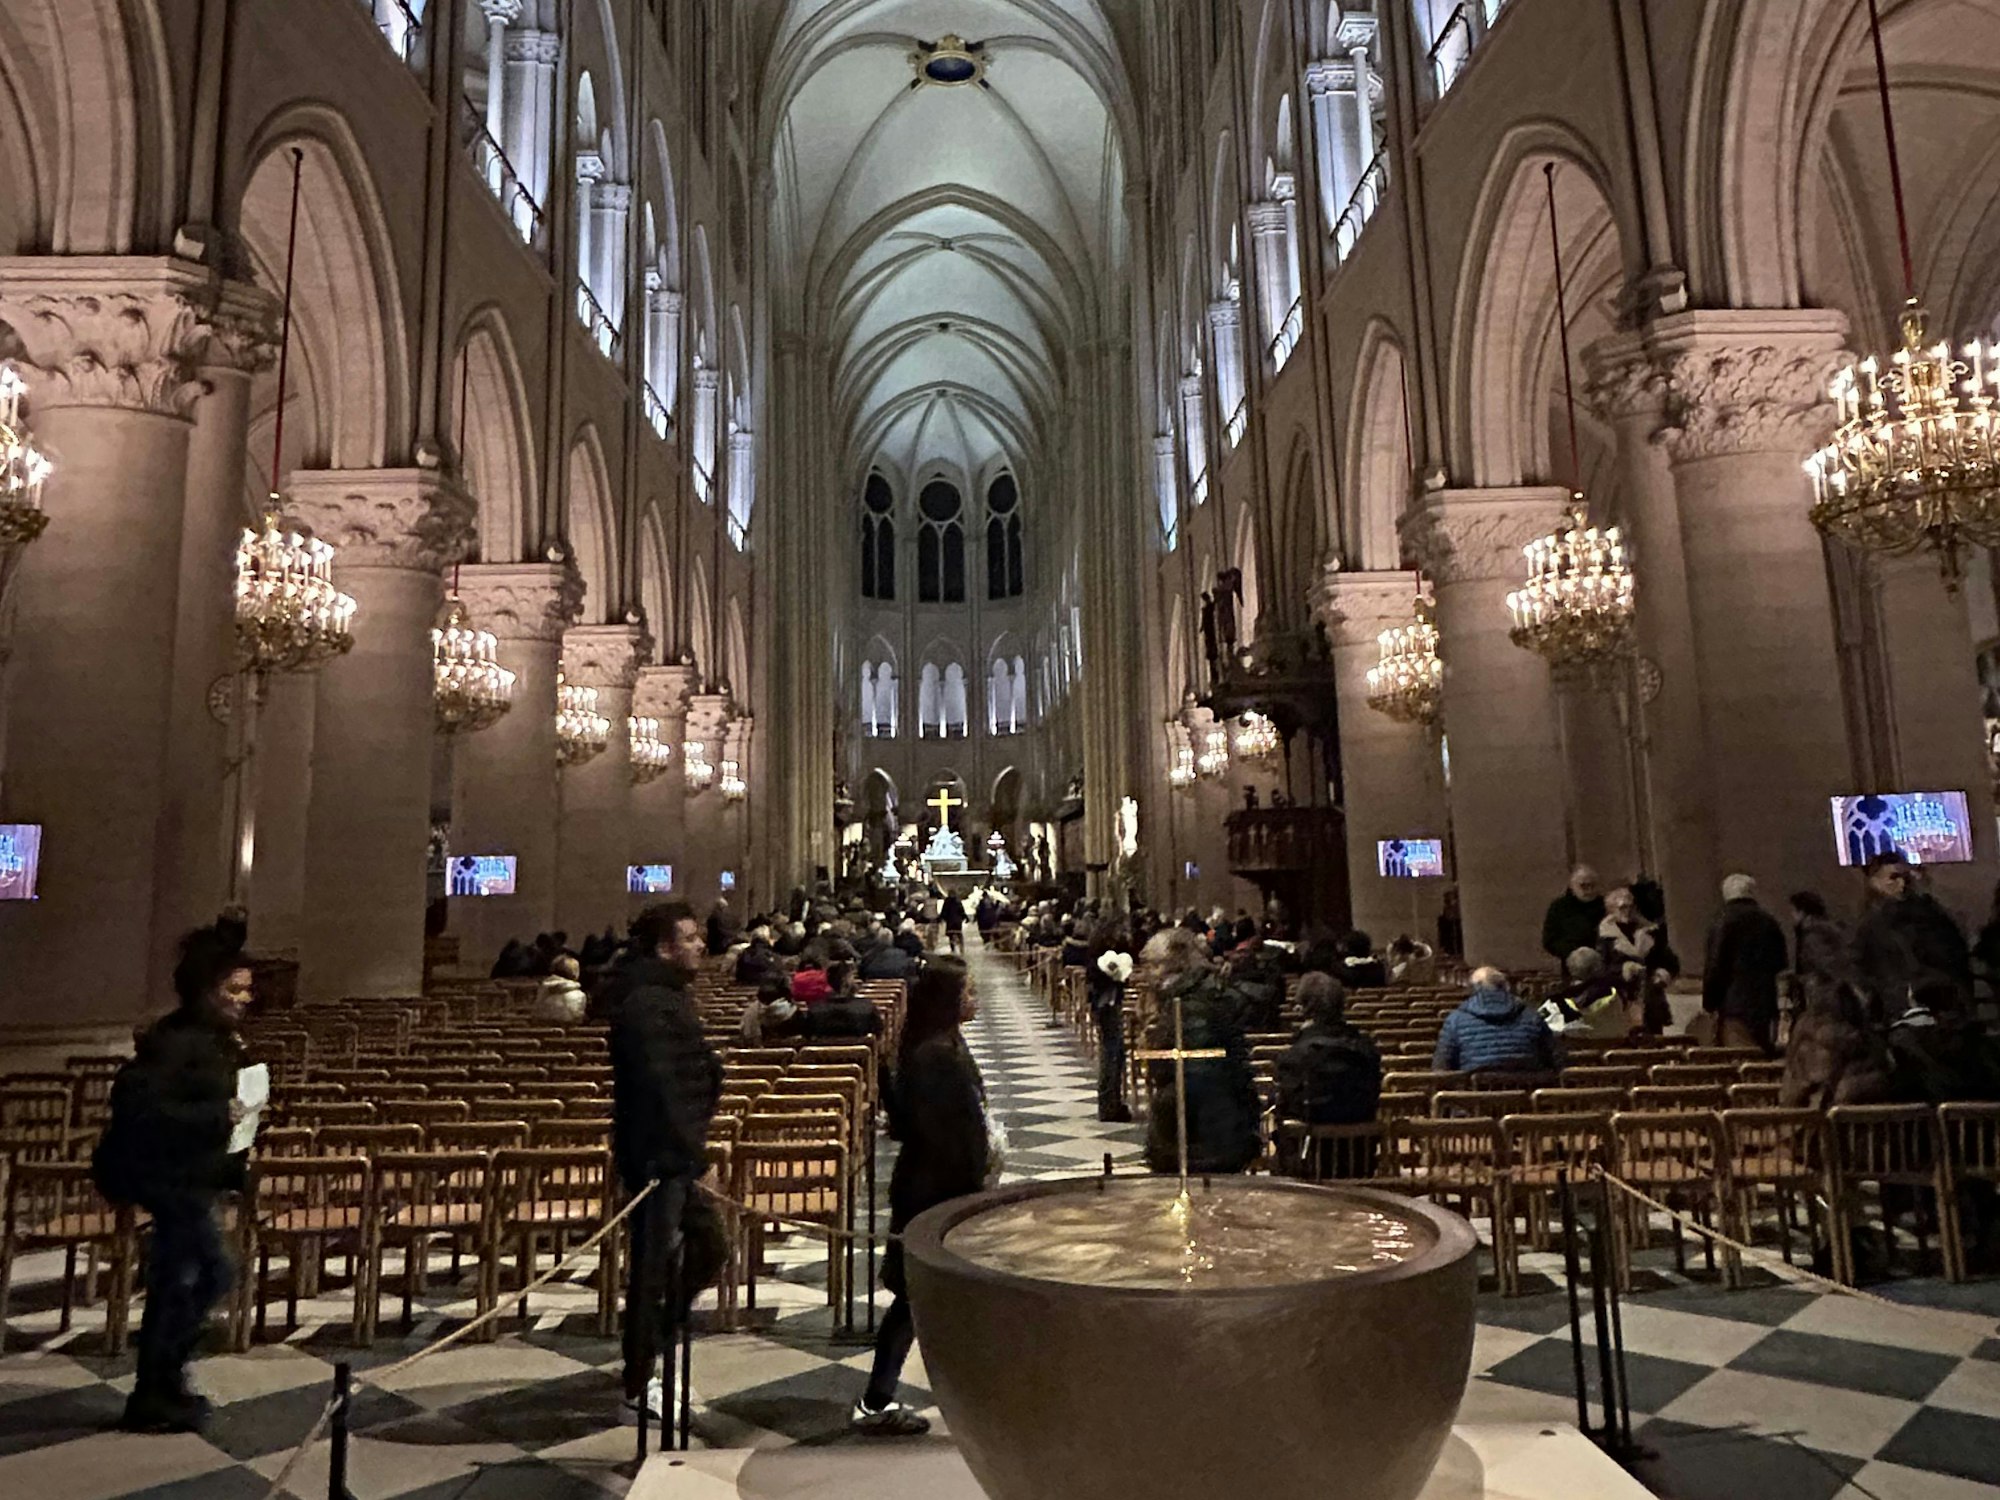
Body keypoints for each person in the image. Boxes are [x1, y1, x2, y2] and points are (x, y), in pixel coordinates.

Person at [91, 922, 253, 1432]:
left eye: (247, 989)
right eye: (234, 989)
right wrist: (218, 1115)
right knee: (209, 1274)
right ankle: (157, 1383)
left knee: (181, 1281)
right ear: (206, 990)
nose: (244, 999)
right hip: (168, 1180)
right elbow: (140, 1106)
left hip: (190, 1179)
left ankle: (160, 1384)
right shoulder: (177, 1040)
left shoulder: (217, 1040)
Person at [605, 902, 727, 1421]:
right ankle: (640, 1376)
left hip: (676, 1157)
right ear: (663, 948)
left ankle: (655, 1338)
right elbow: (663, 1086)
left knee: (711, 1247)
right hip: (660, 1160)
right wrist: (693, 1157)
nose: (701, 945)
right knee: (651, 1269)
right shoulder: (647, 1003)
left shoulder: (665, 997)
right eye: (690, 937)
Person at [858, 957, 989, 1436]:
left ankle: (967, 1392)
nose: (975, 998)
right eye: (968, 991)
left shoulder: (943, 1045)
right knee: (914, 1300)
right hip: (934, 1191)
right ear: (947, 1000)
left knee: (934, 1301)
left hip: (947, 1186)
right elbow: (938, 1133)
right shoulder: (933, 1056)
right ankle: (877, 1399)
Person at [1139, 926, 1261, 1176]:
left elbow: (1193, 1075)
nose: (1146, 974)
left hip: (1201, 1129)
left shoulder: (1187, 1006)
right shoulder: (1207, 994)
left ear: (1175, 964)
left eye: (1152, 965)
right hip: (1226, 1123)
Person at [1852, 853, 1973, 1020]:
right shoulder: (1874, 923)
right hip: (1902, 1004)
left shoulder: (1925, 915)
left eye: (1905, 878)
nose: (1901, 885)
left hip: (1930, 1001)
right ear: (1874, 881)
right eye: (1893, 878)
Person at [1274, 973, 1382, 1130]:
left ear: (1303, 1008)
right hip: (1361, 1149)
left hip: (1310, 1150)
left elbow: (1288, 1107)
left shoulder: (1293, 1056)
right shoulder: (1367, 1050)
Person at [1700, 873, 1789, 1055]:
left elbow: (1715, 966)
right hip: (1765, 1002)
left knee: (1740, 1058)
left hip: (1734, 1006)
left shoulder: (1722, 922)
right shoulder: (1769, 922)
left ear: (1726, 894)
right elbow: (1781, 963)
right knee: (1763, 1061)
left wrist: (1709, 1002)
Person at [1781, 974, 1894, 1110]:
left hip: (1815, 1118)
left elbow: (1793, 1092)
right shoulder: (1867, 1037)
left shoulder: (1804, 1031)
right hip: (1867, 1120)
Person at [1432, 968, 1562, 1077]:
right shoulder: (1533, 1017)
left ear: (1472, 989)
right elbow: (1558, 1060)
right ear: (1506, 986)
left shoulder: (1455, 1020)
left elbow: (1441, 1068)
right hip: (1528, 1102)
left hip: (1473, 1103)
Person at [1598, 884, 1679, 1033]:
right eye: (1622, 908)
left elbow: (1670, 960)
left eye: (1630, 906)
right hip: (1621, 1000)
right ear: (1611, 909)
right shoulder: (1605, 937)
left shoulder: (1649, 932)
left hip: (1650, 998)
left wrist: (1663, 971)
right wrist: (1621, 970)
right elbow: (1601, 969)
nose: (1627, 911)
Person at [1088, 925, 1135, 1123]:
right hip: (1106, 1007)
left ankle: (1113, 1101)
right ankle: (1109, 1105)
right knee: (1111, 1056)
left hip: (1109, 1006)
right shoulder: (1098, 961)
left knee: (1116, 1055)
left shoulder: (1097, 957)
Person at [1541, 866, 1605, 970]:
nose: (1588, 890)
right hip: (1572, 965)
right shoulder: (1559, 907)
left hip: (1602, 964)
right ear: (1572, 886)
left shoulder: (1605, 905)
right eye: (1583, 886)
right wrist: (1574, 953)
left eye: (1592, 885)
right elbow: (1549, 940)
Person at [533, 955, 588, 1022]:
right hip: (570, 1030)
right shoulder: (580, 996)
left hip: (541, 1029)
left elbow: (536, 1013)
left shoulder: (541, 990)